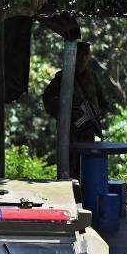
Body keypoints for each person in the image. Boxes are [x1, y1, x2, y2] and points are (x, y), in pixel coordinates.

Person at [42, 42, 109, 177]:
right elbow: (48, 99)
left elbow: (104, 103)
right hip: (69, 130)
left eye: (86, 54)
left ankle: (85, 193)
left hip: (87, 130)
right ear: (74, 56)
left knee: (86, 163)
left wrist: (96, 114)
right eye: (80, 54)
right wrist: (67, 114)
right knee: (68, 162)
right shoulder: (63, 76)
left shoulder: (93, 77)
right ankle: (67, 191)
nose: (83, 57)